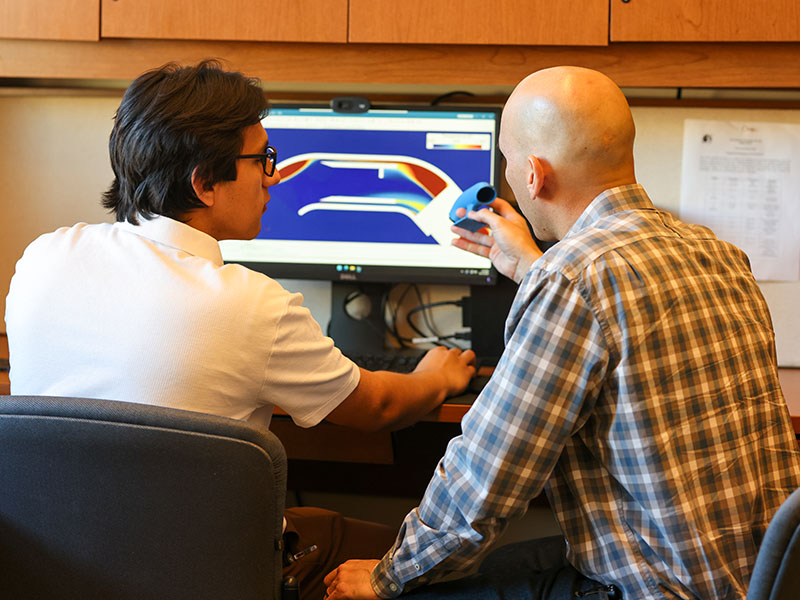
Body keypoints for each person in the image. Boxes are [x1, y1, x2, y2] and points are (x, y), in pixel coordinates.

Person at [3, 60, 475, 600]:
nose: (271, 176)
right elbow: (380, 410)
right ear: (204, 182)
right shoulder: (249, 304)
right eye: (262, 160)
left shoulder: (43, 258)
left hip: (54, 567)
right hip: (201, 573)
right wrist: (436, 376)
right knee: (430, 560)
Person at [323, 66, 800, 600]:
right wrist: (532, 267)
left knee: (417, 588)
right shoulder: (716, 252)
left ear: (533, 175)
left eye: (507, 160)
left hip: (659, 590)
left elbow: (485, 482)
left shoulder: (573, 279)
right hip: (759, 580)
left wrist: (386, 577)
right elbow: (612, 307)